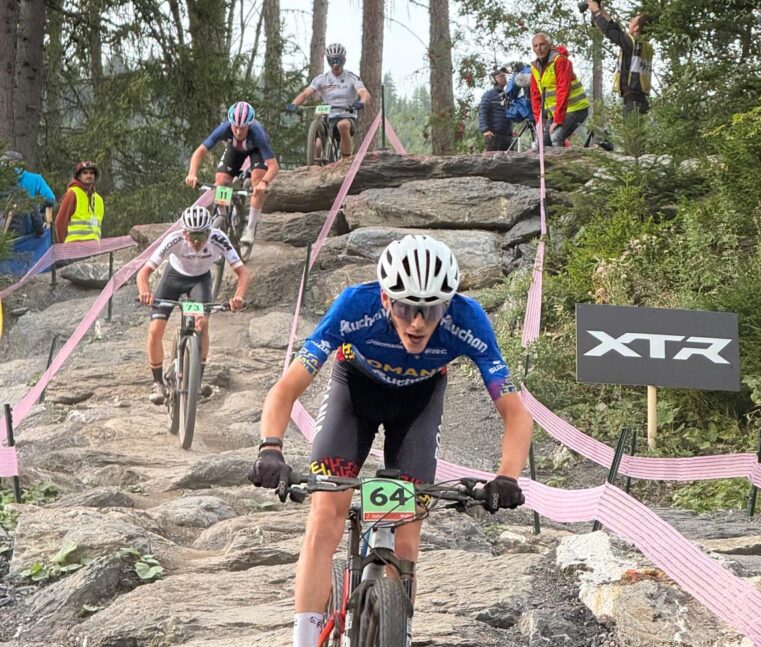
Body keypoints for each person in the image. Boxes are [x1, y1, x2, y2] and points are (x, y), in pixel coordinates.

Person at [248, 234, 532, 647]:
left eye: (430, 310)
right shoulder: (354, 306)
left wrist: (507, 478)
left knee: (406, 534)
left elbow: (516, 412)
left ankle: (399, 633)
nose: (417, 323)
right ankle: (304, 640)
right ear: (385, 300)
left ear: (447, 306)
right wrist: (270, 446)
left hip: (417, 406)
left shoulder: (468, 321)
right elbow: (286, 387)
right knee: (326, 516)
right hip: (355, 395)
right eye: (405, 308)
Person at [136, 205, 250, 405]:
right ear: (184, 232)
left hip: (200, 281)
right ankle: (158, 382)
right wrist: (145, 291)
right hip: (173, 278)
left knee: (202, 325)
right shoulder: (175, 239)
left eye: (201, 235)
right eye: (192, 236)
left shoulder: (218, 238)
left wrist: (238, 297)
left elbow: (243, 273)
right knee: (155, 330)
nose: (197, 241)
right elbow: (143, 272)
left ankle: (197, 379)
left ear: (209, 231)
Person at [185, 101, 279, 246]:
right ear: (230, 123)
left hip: (256, 151)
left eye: (243, 128)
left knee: (257, 182)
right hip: (235, 150)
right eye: (235, 126)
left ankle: (250, 228)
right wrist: (192, 173)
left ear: (249, 125)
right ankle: (222, 217)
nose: (238, 131)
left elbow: (273, 166)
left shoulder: (257, 134)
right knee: (221, 182)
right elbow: (199, 152)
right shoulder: (224, 129)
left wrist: (264, 183)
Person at [286, 43, 371, 159]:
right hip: (329, 116)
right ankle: (316, 165)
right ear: (328, 61)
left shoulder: (351, 77)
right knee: (318, 142)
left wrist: (362, 102)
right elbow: (306, 93)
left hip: (346, 114)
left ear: (343, 60)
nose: (335, 65)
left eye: (338, 61)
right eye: (332, 61)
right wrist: (294, 104)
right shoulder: (322, 79)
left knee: (343, 125)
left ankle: (346, 160)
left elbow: (364, 93)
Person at [588, 1, 653, 116]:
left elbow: (610, 32)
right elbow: (617, 31)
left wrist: (597, 13)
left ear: (636, 27)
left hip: (633, 102)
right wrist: (603, 12)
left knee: (631, 133)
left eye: (633, 20)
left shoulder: (632, 43)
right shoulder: (642, 45)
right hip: (640, 99)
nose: (630, 22)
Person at [529, 33, 590, 147]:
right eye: (535, 46)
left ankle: (562, 164)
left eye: (542, 44)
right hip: (557, 112)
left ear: (549, 45)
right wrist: (539, 121)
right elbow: (535, 96)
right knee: (540, 144)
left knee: (556, 137)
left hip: (576, 109)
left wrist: (558, 120)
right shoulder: (535, 68)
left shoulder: (561, 61)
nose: (539, 48)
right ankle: (547, 164)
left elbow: (563, 91)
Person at [0, 150, 54, 238]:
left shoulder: (3, 180)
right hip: (28, 234)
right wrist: (38, 209)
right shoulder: (36, 179)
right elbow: (50, 199)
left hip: (4, 234)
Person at [55, 161, 102, 243]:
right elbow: (60, 222)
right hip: (74, 249)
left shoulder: (98, 199)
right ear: (79, 176)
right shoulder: (72, 194)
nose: (88, 175)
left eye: (91, 173)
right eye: (85, 173)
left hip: (94, 249)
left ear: (95, 176)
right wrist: (62, 247)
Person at [478, 67, 514, 152]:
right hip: (493, 135)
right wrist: (485, 130)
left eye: (504, 76)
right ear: (493, 80)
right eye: (500, 76)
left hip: (507, 136)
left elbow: (509, 114)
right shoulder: (489, 95)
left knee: (510, 162)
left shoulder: (507, 95)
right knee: (490, 162)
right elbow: (482, 112)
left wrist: (511, 130)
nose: (503, 78)